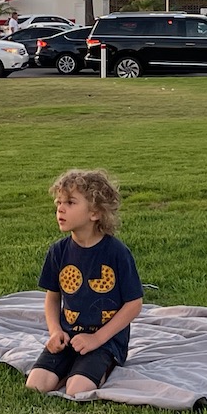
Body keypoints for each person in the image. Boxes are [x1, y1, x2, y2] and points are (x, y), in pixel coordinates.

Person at [26, 169, 143, 400]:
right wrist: (55, 331)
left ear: (95, 213)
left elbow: (134, 304)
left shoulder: (117, 253)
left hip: (105, 341)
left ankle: (90, 369)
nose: (60, 208)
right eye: (59, 202)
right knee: (36, 385)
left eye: (70, 202)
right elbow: (53, 296)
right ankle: (70, 365)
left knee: (77, 389)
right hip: (68, 338)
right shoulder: (58, 252)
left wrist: (97, 339)